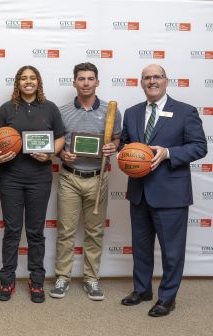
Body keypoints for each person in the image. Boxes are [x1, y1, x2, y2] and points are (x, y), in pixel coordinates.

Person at [119, 64, 207, 317]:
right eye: (147, 78)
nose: (152, 81)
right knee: (141, 246)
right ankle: (142, 289)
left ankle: (167, 298)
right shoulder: (132, 112)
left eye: (157, 77)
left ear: (166, 81)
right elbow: (126, 144)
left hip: (171, 194)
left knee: (172, 250)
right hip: (139, 192)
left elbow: (199, 147)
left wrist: (168, 153)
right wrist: (123, 154)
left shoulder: (185, 112)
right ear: (141, 83)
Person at [0, 65, 65, 303]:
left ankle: (36, 281)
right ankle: (7, 279)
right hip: (10, 177)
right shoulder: (6, 109)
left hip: (39, 178)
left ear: (38, 82)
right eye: (23, 78)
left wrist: (50, 154)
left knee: (35, 232)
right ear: (18, 83)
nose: (28, 82)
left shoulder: (50, 108)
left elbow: (60, 137)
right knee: (12, 231)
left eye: (32, 78)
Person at [49, 63, 121, 301]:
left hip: (98, 178)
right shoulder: (62, 111)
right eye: (81, 79)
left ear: (97, 82)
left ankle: (91, 278)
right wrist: (62, 155)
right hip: (70, 176)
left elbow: (118, 138)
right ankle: (62, 277)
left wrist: (113, 146)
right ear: (74, 82)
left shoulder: (112, 111)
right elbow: (58, 142)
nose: (86, 83)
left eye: (91, 78)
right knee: (66, 231)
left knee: (95, 232)